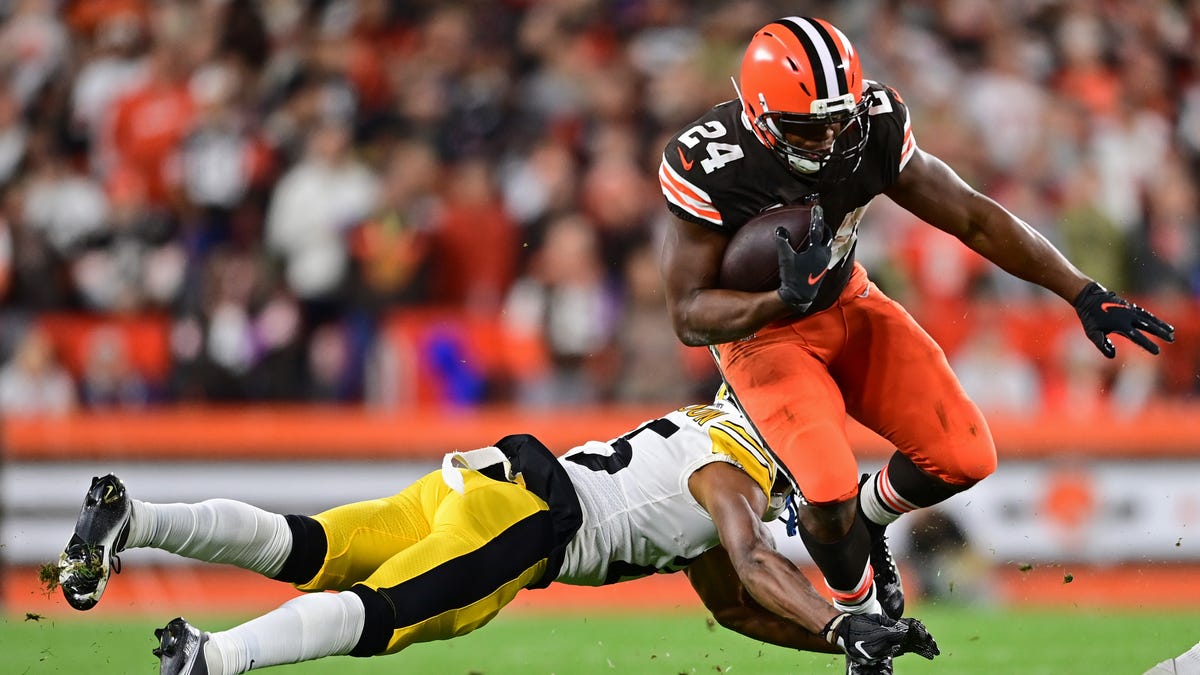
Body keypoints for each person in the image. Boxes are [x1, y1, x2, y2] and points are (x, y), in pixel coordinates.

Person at [657, 15, 1175, 673]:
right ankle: (861, 622)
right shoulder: (712, 162)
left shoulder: (870, 123)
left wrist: (1079, 290)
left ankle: (872, 518)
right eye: (807, 128)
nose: (828, 138)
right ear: (759, 117)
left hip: (845, 299)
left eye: (837, 120)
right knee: (826, 487)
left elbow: (972, 215)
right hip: (760, 335)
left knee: (963, 454)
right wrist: (777, 299)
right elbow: (689, 314)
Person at [55, 393, 939, 675]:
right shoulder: (732, 470)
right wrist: (840, 616)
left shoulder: (714, 452)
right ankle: (212, 659)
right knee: (384, 612)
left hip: (480, 479)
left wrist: (850, 649)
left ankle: (138, 517)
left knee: (313, 545)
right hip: (528, 521)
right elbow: (752, 554)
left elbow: (739, 602)